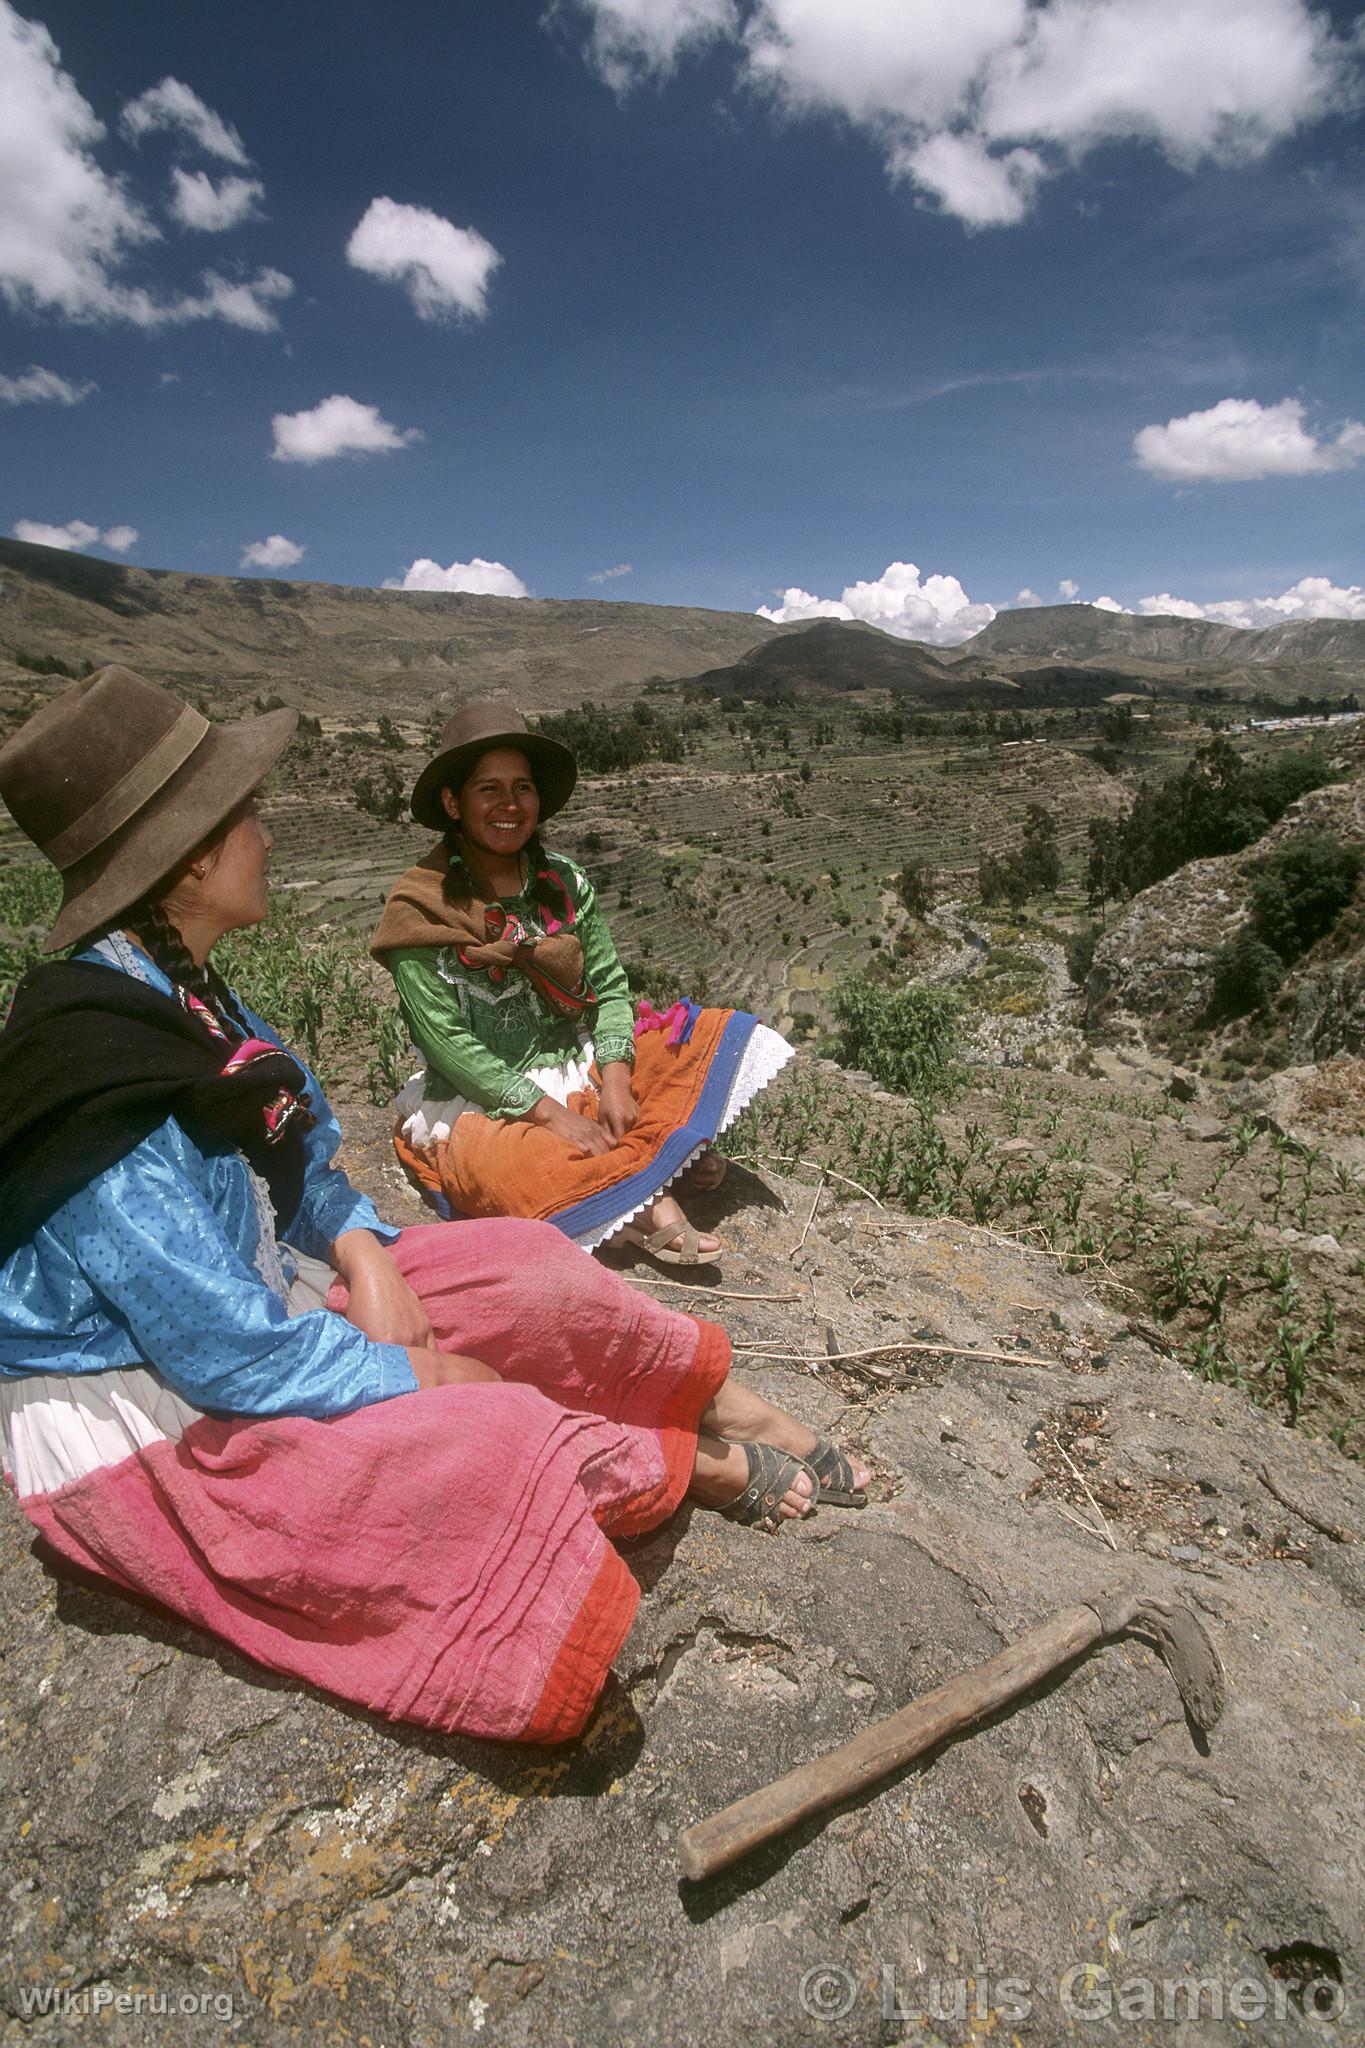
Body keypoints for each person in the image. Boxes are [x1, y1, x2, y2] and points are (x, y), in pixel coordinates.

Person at [0, 666, 868, 1746]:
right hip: (147, 1400)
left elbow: (298, 1135)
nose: (270, 833)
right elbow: (218, 1350)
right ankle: (676, 1462)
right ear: (189, 855)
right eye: (248, 816)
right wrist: (413, 1367)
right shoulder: (97, 1083)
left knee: (530, 1267)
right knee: (481, 1433)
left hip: (267, 1290)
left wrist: (362, 1248)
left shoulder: (175, 976)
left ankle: (707, 1395)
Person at [372, 702, 794, 1268]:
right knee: (508, 1167)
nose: (509, 805)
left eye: (522, 788)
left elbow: (610, 987)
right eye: (487, 789)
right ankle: (645, 1200)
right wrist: (551, 1114)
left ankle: (631, 1179)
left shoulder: (564, 881)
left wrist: (616, 1079)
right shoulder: (419, 905)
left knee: (703, 1040)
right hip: (483, 1096)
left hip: (577, 1063)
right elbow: (447, 1043)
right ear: (453, 802)